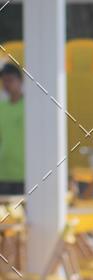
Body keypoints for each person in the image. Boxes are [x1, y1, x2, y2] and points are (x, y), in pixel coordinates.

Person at [0, 63, 24, 195]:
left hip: (24, 172)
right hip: (3, 173)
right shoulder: (1, 107)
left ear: (20, 81)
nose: (6, 84)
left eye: (10, 80)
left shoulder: (30, 106)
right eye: (4, 81)